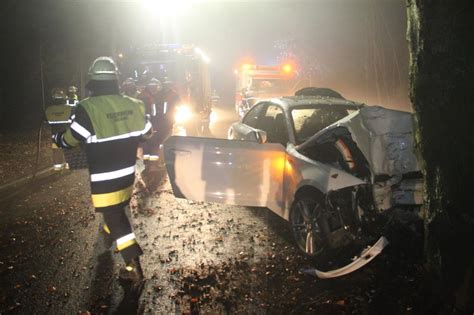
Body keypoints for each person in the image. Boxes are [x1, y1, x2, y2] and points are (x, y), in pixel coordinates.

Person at [52, 56, 152, 288]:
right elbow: (147, 132)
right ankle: (109, 235)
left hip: (105, 179)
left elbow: (72, 138)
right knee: (116, 210)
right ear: (116, 79)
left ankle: (133, 267)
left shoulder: (87, 108)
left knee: (115, 218)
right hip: (128, 175)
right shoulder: (134, 103)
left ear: (92, 80)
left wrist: (57, 139)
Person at [45, 88, 72, 171]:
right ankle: (69, 164)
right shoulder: (69, 108)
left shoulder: (48, 109)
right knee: (68, 148)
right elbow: (74, 119)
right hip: (67, 133)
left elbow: (46, 122)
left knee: (56, 149)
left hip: (55, 134)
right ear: (64, 99)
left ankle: (57, 166)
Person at [137, 77, 161, 162]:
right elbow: (152, 111)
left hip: (144, 122)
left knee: (146, 142)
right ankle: (152, 164)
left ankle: (147, 162)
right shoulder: (147, 96)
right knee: (153, 141)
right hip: (149, 121)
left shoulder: (144, 95)